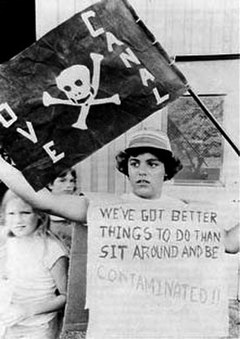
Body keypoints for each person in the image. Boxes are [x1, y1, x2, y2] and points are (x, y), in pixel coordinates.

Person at [0, 190, 68, 339]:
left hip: (39, 327)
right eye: (11, 214)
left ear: (39, 214)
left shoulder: (52, 249)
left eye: (25, 213)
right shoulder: (6, 242)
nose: (18, 220)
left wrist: (28, 310)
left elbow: (65, 296)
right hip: (8, 324)